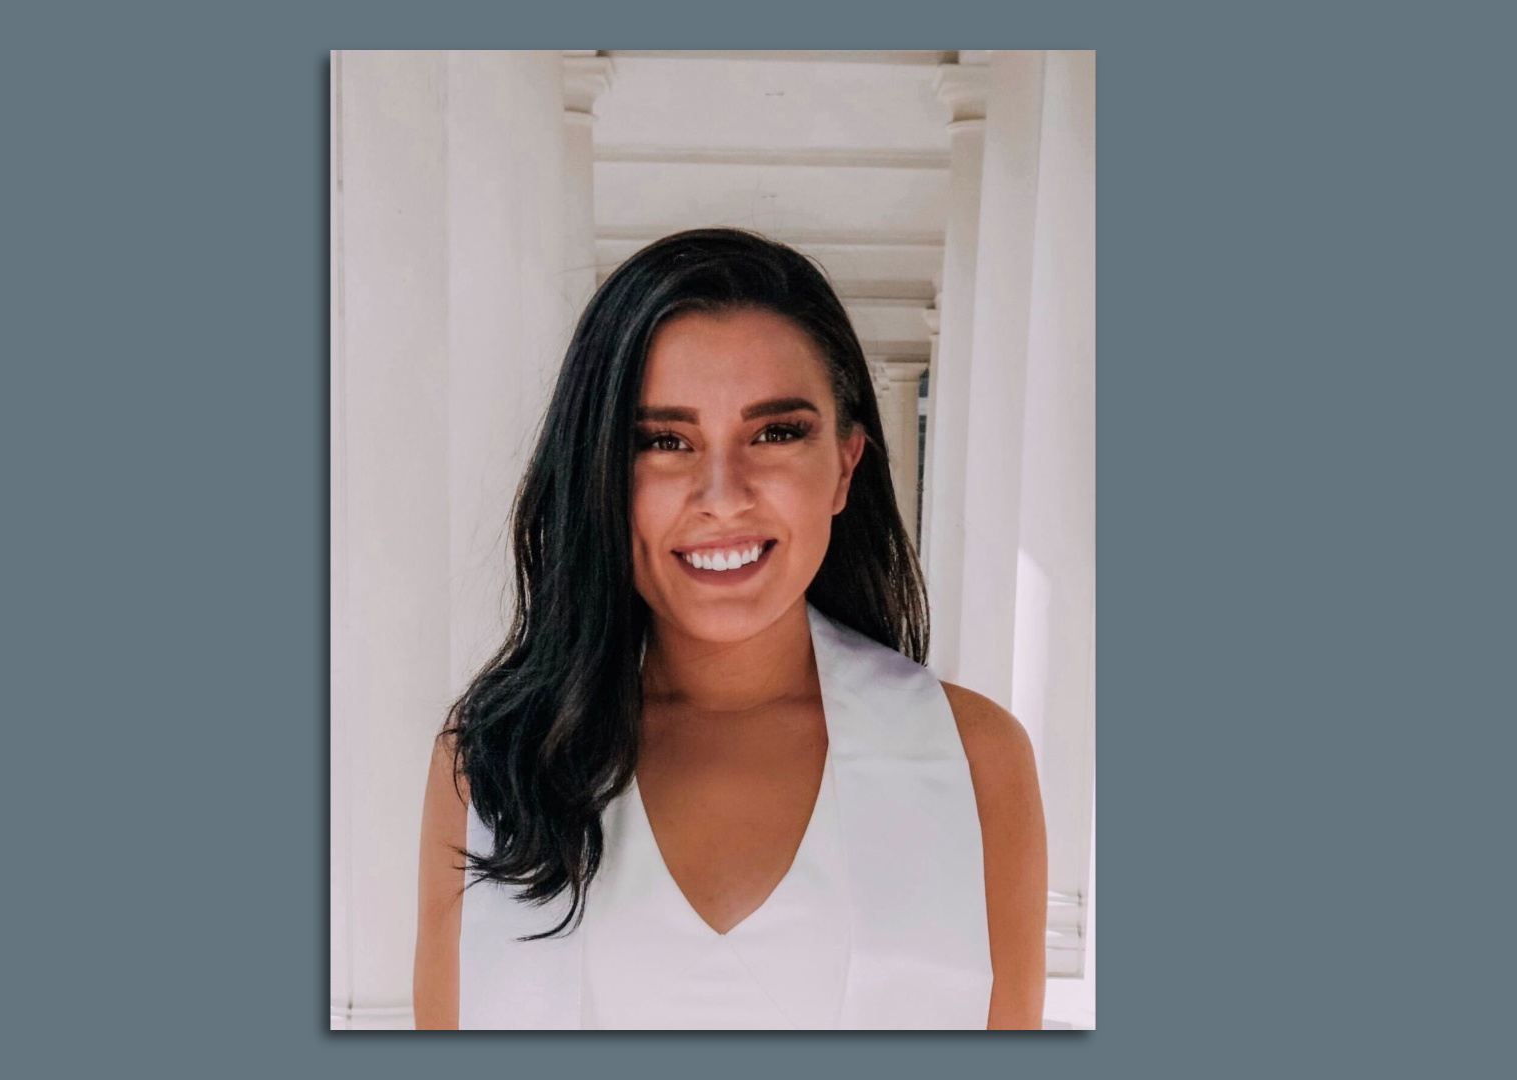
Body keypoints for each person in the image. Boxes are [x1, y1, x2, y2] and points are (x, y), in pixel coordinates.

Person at [411, 227, 1046, 1029]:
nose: (723, 494)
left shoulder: (975, 758)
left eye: (776, 433)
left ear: (846, 467)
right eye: (664, 441)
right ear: (601, 473)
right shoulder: (492, 764)